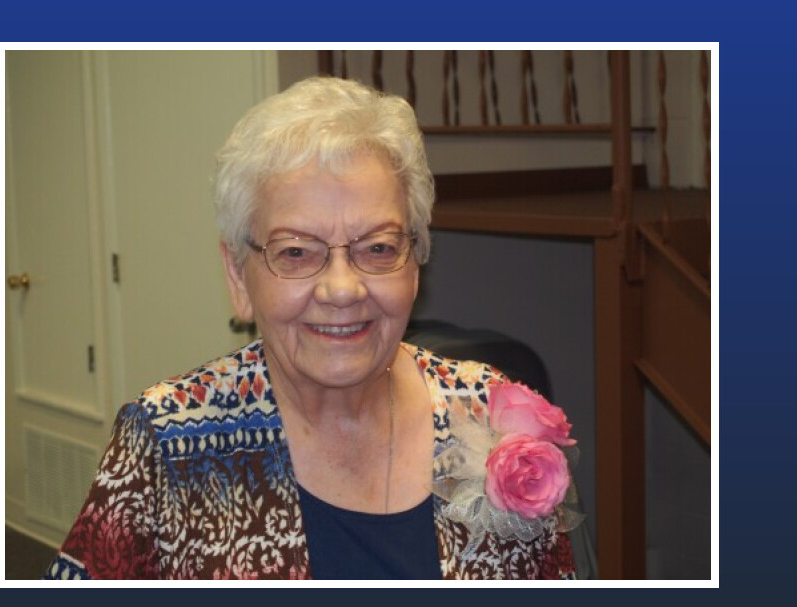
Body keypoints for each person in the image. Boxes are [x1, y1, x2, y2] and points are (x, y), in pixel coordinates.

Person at [45, 76, 578, 580]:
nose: (342, 289)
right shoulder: (168, 441)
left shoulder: (491, 414)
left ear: (415, 263)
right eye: (296, 252)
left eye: (378, 248)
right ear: (238, 275)